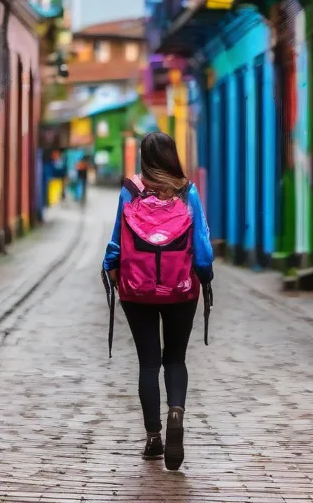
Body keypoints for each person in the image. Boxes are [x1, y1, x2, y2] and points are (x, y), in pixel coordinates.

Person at [103, 131, 213, 471]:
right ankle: (176, 411)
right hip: (181, 288)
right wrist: (205, 276)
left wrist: (110, 268)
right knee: (175, 359)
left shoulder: (130, 191)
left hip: (137, 290)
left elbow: (116, 243)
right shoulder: (187, 191)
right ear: (172, 155)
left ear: (143, 158)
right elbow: (202, 244)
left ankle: (154, 438)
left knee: (149, 362)